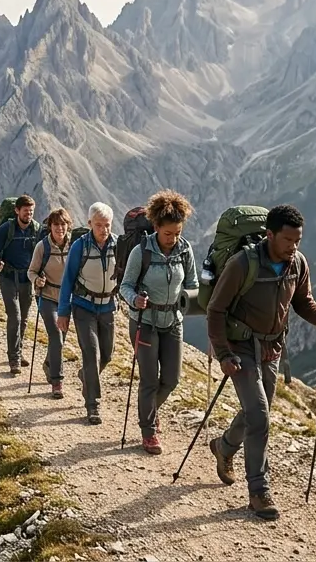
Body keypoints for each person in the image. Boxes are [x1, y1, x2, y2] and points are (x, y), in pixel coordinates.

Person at [206, 204, 316, 521]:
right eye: (287, 240)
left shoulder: (296, 263)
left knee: (257, 412)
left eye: (297, 240)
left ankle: (224, 447)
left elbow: (303, 302)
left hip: (271, 350)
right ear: (269, 235)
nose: (293, 246)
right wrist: (224, 354)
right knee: (259, 415)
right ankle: (259, 491)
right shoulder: (242, 264)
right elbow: (216, 310)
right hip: (240, 347)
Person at [119, 189, 198, 455]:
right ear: (156, 227)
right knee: (150, 380)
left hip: (173, 322)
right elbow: (125, 286)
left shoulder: (185, 250)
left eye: (177, 232)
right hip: (145, 321)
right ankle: (149, 430)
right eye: (168, 233)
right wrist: (134, 300)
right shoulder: (141, 252)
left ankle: (149, 412)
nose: (173, 238)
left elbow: (193, 284)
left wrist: (191, 299)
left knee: (172, 380)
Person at [56, 202, 118, 425]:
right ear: (90, 224)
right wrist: (63, 312)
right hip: (83, 307)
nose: (104, 229)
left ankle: (86, 375)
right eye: (99, 225)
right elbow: (67, 281)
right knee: (91, 353)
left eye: (107, 225)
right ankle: (93, 404)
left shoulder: (118, 246)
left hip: (108, 307)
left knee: (107, 355)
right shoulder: (79, 247)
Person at [0, 195, 39, 374]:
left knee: (24, 319)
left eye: (31, 211)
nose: (29, 214)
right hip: (8, 277)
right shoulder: (6, 229)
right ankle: (14, 358)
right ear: (17, 211)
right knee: (15, 317)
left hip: (27, 280)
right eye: (26, 211)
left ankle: (18, 349)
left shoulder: (36, 229)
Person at [29, 208, 73, 399]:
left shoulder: (75, 245)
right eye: (56, 225)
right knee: (56, 335)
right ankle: (57, 381)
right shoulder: (42, 247)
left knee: (60, 338)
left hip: (67, 299)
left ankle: (49, 364)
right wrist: (37, 280)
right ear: (50, 226)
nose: (60, 228)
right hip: (46, 296)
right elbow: (31, 271)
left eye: (63, 224)